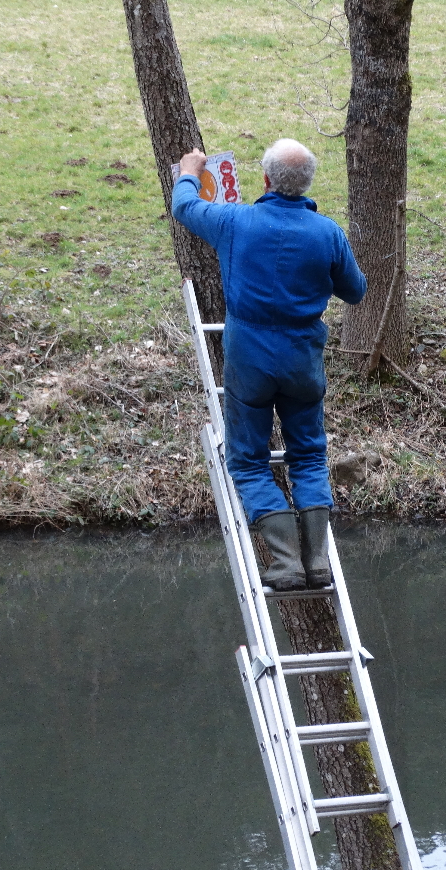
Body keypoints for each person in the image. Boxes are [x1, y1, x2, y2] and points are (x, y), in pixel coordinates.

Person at [172, 139, 366, 592]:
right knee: (309, 456)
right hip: (303, 360)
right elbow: (356, 292)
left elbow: (184, 206)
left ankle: (285, 563)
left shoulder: (235, 222)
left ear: (264, 180)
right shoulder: (328, 232)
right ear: (309, 183)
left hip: (249, 359)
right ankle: (317, 561)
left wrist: (190, 170)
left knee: (249, 461)